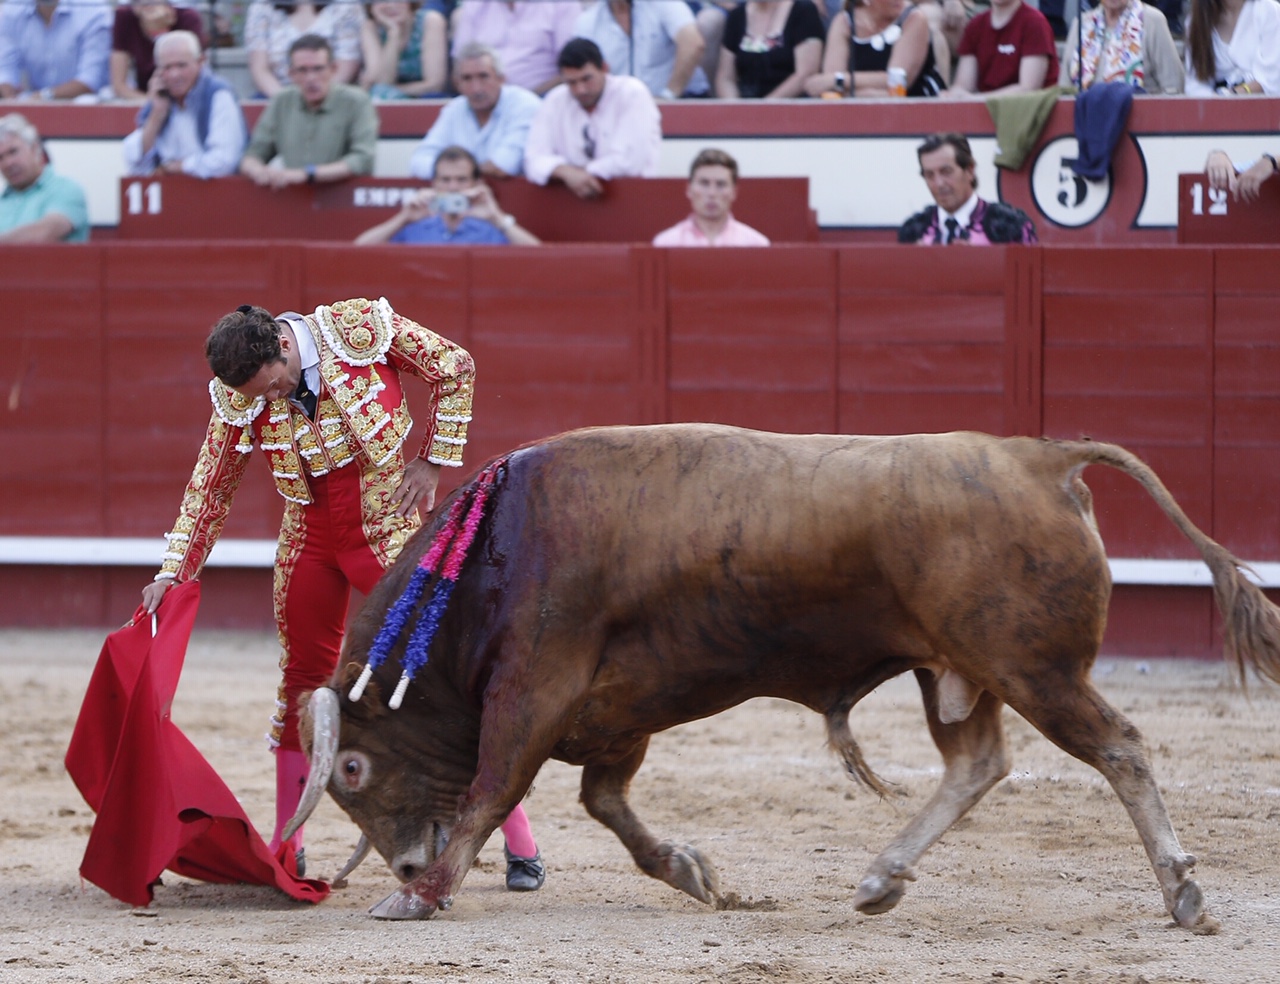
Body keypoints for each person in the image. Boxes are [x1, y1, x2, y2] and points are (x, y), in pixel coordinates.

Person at [139, 298, 546, 892]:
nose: (268, 399)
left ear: (283, 346)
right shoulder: (240, 393)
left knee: (439, 676)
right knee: (300, 682)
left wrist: (432, 461)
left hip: (386, 531)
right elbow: (210, 486)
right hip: (308, 538)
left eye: (271, 386)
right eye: (256, 395)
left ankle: (518, 843)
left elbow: (453, 366)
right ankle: (288, 844)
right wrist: (174, 573)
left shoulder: (357, 331)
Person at [523, 38, 663, 200]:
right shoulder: (555, 100)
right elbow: (533, 160)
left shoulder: (632, 93)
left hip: (632, 197)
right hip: (569, 202)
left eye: (586, 79)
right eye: (571, 82)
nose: (580, 90)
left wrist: (576, 175)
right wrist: (567, 173)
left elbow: (627, 162)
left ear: (604, 68)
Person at [239, 35, 379, 190]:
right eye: (302, 70)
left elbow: (363, 159)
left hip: (342, 198)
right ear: (291, 74)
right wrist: (259, 171)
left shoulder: (357, 101)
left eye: (318, 69)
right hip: (295, 198)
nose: (311, 78)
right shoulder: (282, 101)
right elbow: (253, 155)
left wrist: (308, 174)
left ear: (333, 69)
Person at [123, 31, 248, 178]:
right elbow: (133, 160)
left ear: (201, 62)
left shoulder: (217, 94)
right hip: (170, 195)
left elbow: (225, 161)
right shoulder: (160, 97)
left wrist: (179, 167)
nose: (174, 75)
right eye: (167, 67)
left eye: (182, 65)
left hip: (216, 195)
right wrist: (156, 115)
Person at [408, 43, 542, 181]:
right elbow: (418, 162)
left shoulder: (525, 105)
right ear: (457, 83)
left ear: (501, 79)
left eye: (483, 77)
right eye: (467, 78)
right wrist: (458, 176)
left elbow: (503, 165)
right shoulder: (453, 110)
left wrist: (453, 175)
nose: (476, 88)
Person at [356, 145, 540, 245]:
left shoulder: (490, 225)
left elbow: (540, 256)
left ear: (475, 183)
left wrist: (497, 218)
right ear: (434, 183)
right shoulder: (416, 223)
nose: (453, 187)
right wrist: (402, 219)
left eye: (461, 180)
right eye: (445, 180)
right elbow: (357, 251)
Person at [898, 132, 1038, 244]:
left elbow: (1028, 278)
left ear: (970, 170)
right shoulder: (913, 231)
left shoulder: (1010, 226)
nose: (939, 183)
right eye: (929, 175)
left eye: (946, 172)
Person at [804, 0, 946, 98]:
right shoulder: (844, 22)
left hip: (916, 104)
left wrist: (841, 80)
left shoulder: (914, 18)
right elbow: (829, 86)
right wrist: (870, 95)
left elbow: (898, 81)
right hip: (857, 108)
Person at [573, 0, 709, 99]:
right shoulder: (587, 21)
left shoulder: (665, 4)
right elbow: (579, 69)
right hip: (621, 111)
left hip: (681, 102)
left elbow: (693, 44)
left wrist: (668, 95)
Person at [450, 0, 583, 95]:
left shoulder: (563, 4)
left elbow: (571, 68)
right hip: (482, 102)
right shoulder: (474, 4)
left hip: (542, 98)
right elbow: (460, 67)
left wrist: (524, 100)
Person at [652, 148, 771, 247]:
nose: (712, 193)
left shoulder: (755, 245)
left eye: (721, 184)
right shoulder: (666, 244)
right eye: (704, 183)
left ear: (734, 192)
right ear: (689, 189)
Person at [1060, 0, 1184, 95]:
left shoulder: (1152, 21)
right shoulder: (1082, 24)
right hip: (1085, 123)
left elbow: (1173, 87)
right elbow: (1063, 91)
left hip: (1140, 123)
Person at [244, 0, 363, 99]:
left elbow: (346, 66)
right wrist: (286, 102)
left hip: (333, 98)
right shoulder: (262, 7)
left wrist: (317, 101)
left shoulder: (346, 5)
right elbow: (259, 69)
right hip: (276, 98)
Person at [0, 113, 90, 243]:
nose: (8, 163)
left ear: (34, 148)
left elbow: (43, 234)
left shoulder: (66, 189)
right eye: (0, 157)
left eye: (13, 152)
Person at [0, 0, 112, 101]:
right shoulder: (12, 9)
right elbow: (5, 68)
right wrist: (8, 90)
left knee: (86, 100)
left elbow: (90, 81)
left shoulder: (94, 9)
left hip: (93, 109)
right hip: (34, 108)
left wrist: (43, 96)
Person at [945, 0, 1059, 98]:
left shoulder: (1035, 23)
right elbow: (964, 85)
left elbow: (1028, 90)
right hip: (985, 114)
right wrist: (954, 94)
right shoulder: (976, 25)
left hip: (1029, 117)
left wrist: (975, 99)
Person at [715, 0, 825, 99]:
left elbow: (805, 73)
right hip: (744, 109)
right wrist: (736, 108)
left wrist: (765, 108)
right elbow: (726, 78)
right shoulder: (737, 16)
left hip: (791, 107)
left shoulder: (803, 10)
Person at [110, 0, 207, 101]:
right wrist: (151, 104)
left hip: (187, 100)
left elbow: (197, 77)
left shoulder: (188, 17)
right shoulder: (124, 16)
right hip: (146, 98)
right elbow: (119, 85)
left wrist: (162, 33)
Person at [1184, 0, 1280, 97]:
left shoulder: (1269, 10)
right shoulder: (1195, 21)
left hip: (1263, 105)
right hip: (1215, 106)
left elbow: (1271, 80)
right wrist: (1216, 103)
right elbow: (1195, 84)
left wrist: (1232, 95)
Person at [358, 1, 449, 99]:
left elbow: (434, 84)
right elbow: (383, 81)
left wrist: (393, 90)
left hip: (422, 99)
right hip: (383, 98)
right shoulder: (370, 27)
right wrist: (393, 34)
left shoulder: (431, 21)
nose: (391, 5)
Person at [1206, 148, 1279, 203]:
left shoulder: (1271, 162)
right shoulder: (1264, 166)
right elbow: (1228, 172)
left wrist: (1273, 160)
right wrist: (1217, 156)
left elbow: (1274, 161)